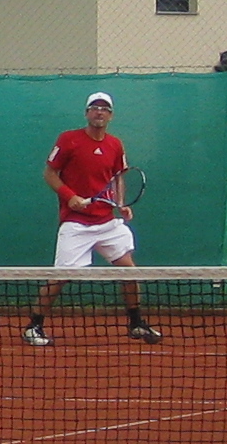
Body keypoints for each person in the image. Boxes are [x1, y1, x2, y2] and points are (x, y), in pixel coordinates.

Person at [23, 90, 160, 347]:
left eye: (104, 109)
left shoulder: (115, 144)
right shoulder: (68, 140)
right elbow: (50, 173)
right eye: (94, 108)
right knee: (61, 276)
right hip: (75, 223)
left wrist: (120, 205)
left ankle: (136, 324)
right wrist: (70, 196)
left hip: (107, 222)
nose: (99, 112)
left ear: (111, 115)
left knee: (130, 271)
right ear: (87, 113)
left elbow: (117, 176)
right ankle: (34, 326)